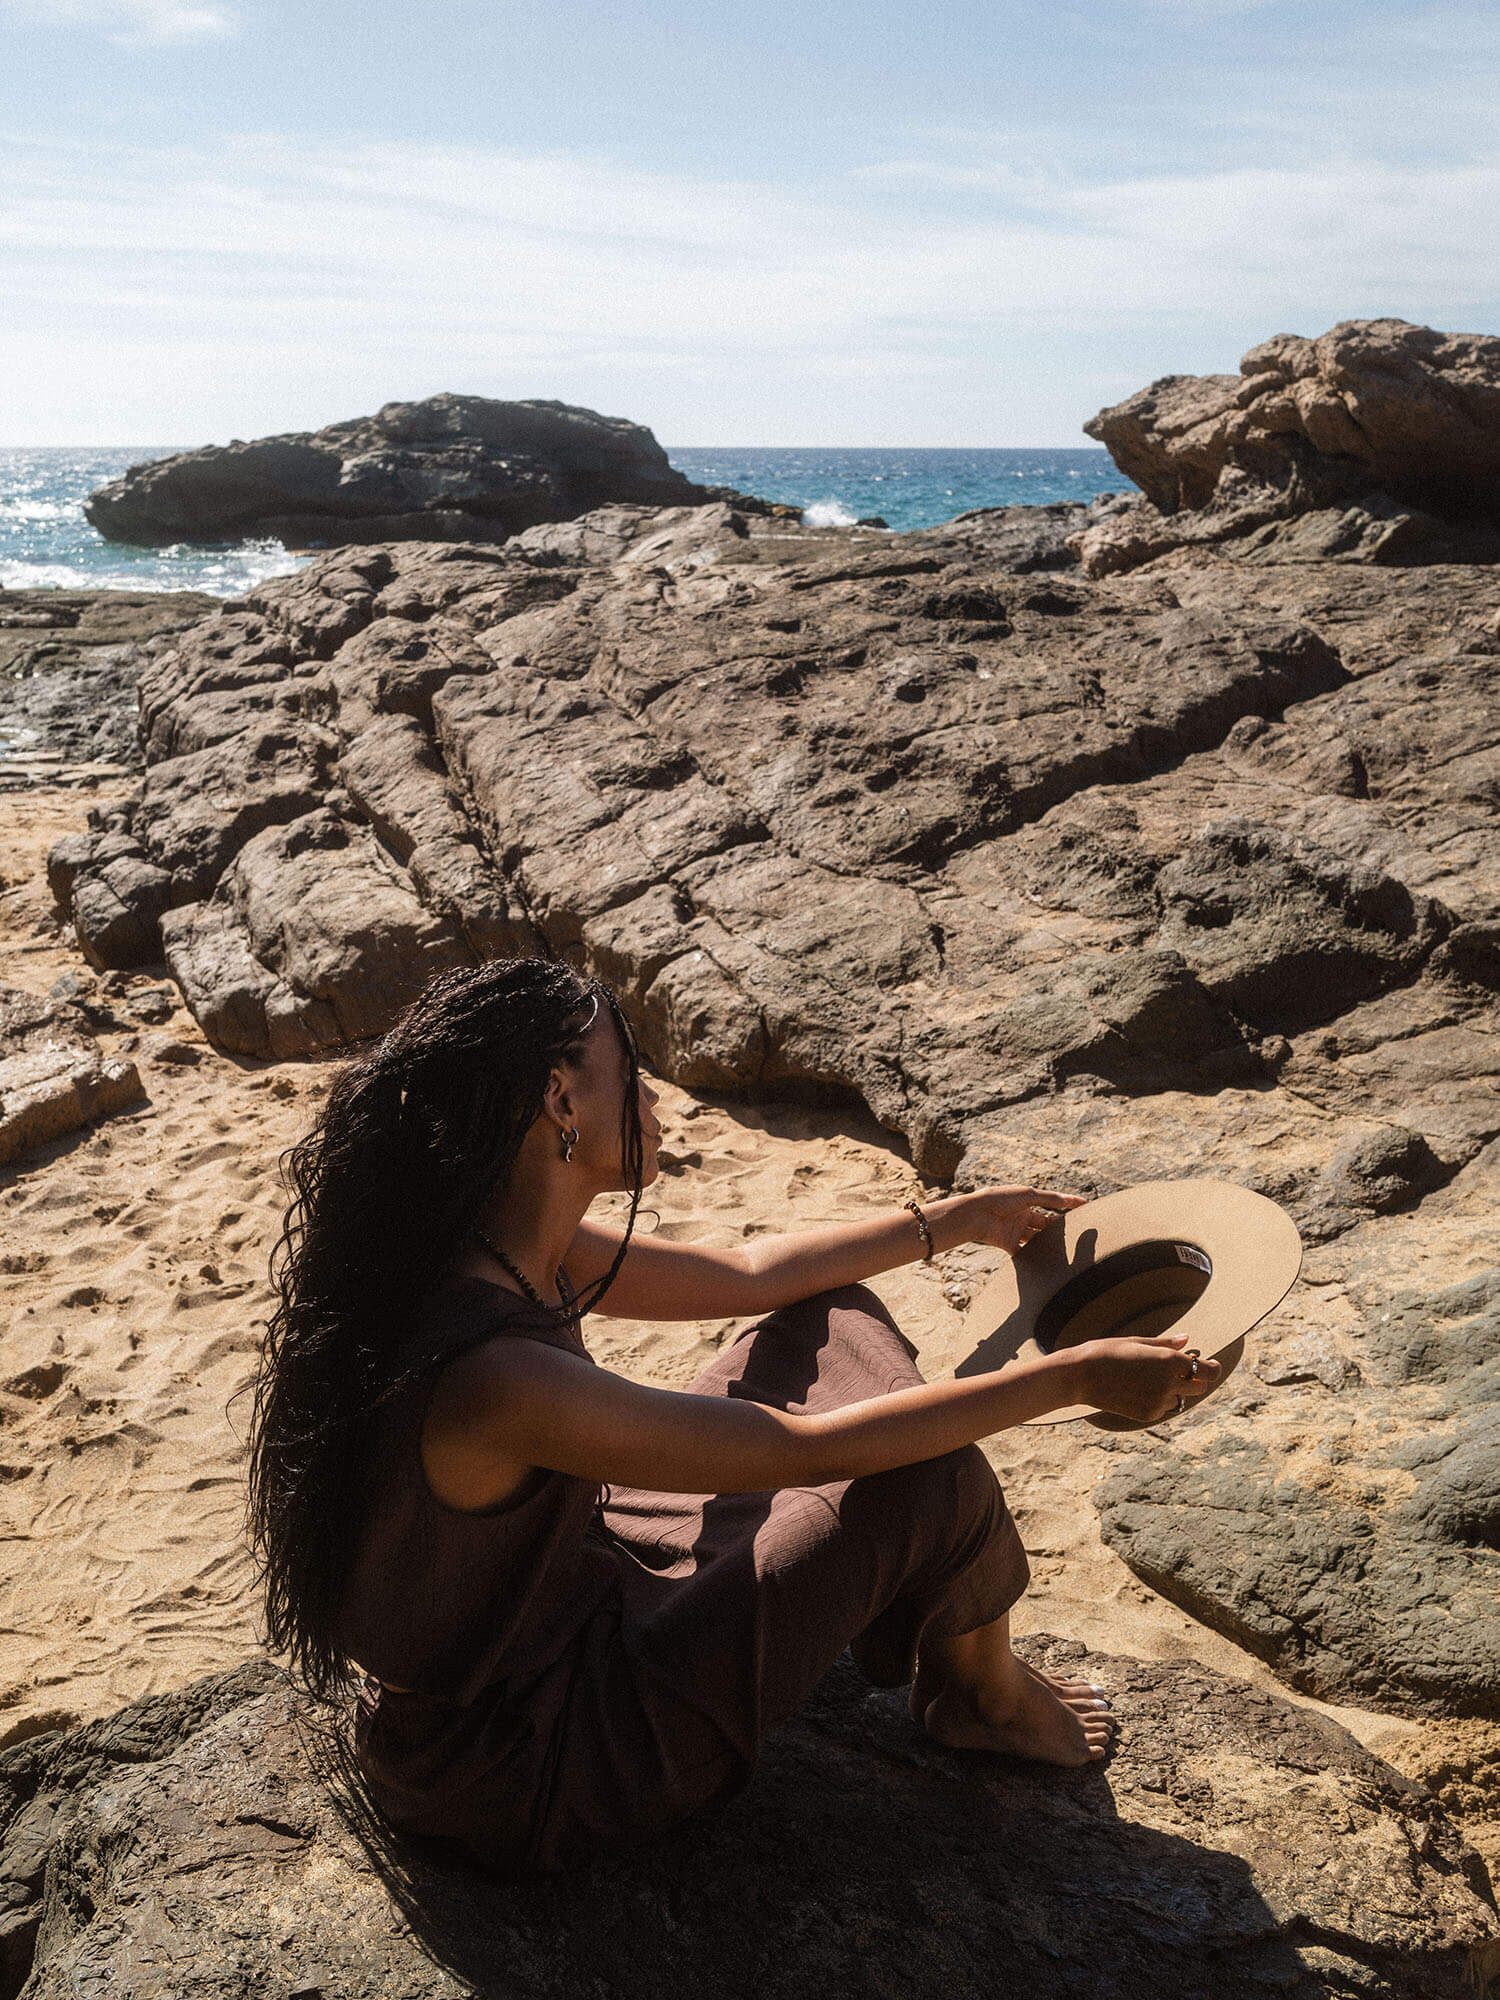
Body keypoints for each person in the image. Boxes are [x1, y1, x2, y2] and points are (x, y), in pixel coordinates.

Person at [247, 957, 1219, 1874]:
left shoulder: (498, 1242)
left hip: (571, 1588)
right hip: (532, 1755)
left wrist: (953, 1220)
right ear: (559, 1099)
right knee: (933, 1472)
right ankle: (986, 1700)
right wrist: (1073, 1378)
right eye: (632, 1073)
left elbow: (754, 1273)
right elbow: (798, 1449)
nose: (656, 1101)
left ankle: (947, 1646)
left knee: (830, 1315)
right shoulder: (495, 1376)